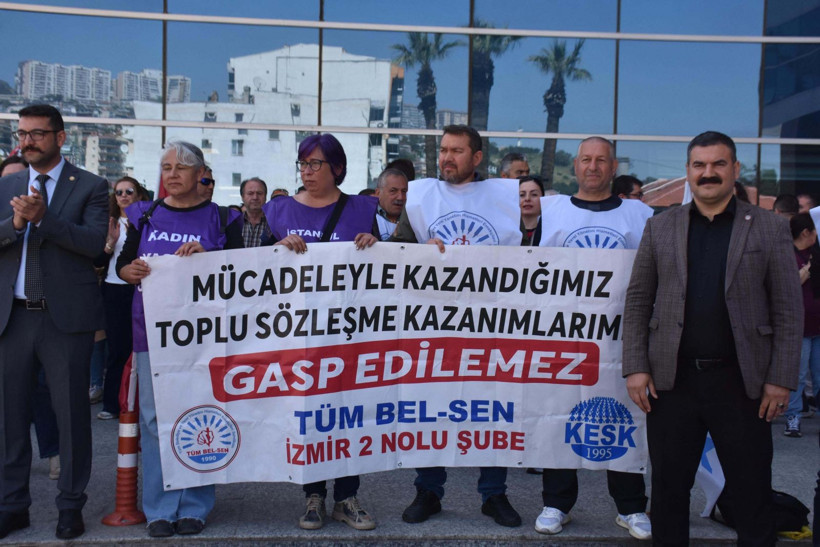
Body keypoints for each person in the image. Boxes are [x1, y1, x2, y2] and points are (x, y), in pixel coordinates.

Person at [622, 131, 801, 545]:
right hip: (672, 383)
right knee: (668, 492)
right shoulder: (660, 226)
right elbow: (638, 300)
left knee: (752, 492)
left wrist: (780, 379)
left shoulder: (770, 228)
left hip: (743, 384)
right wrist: (635, 367)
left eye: (718, 164)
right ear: (687, 171)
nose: (708, 173)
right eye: (699, 165)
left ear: (735, 169)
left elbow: (788, 309)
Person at [390, 125, 523, 528]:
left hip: (489, 324)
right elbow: (395, 252)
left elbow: (529, 258)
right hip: (432, 326)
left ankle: (494, 494)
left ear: (477, 157)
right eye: (444, 150)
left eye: (457, 151)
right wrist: (418, 251)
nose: (447, 157)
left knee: (492, 408)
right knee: (429, 407)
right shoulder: (421, 196)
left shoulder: (505, 197)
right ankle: (428, 491)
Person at [117, 141, 243, 538]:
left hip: (205, 337)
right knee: (155, 421)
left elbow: (243, 273)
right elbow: (121, 265)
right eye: (166, 167)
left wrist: (210, 258)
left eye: (181, 167)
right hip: (151, 333)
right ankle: (160, 507)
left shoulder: (224, 218)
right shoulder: (144, 214)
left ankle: (195, 504)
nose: (172, 174)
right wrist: (128, 272)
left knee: (202, 414)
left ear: (201, 173)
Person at [536, 136, 653, 540]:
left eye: (601, 160)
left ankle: (631, 507)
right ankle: (556, 503)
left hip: (620, 339)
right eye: (586, 159)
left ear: (614, 167)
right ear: (575, 164)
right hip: (563, 339)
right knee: (558, 417)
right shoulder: (551, 210)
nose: (593, 166)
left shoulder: (639, 215)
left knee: (623, 418)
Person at [0, 104, 108, 540]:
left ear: (60, 138)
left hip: (64, 320)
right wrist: (16, 222)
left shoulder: (91, 186)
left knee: (71, 417)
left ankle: (70, 505)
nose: (27, 141)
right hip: (12, 318)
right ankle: (12, 506)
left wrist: (44, 219)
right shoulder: (6, 184)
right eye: (22, 133)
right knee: (9, 419)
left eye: (37, 134)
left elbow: (93, 244)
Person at [261, 133, 378, 531]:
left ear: (337, 168)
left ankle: (346, 496)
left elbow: (387, 264)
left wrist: (375, 244)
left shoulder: (362, 209)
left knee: (348, 411)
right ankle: (313, 495)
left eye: (315, 164)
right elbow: (254, 269)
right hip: (298, 333)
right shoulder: (279, 211)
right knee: (307, 411)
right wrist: (278, 248)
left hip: (349, 332)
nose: (307, 172)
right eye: (303, 164)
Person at [0, 155, 61, 481]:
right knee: (9, 401)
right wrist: (15, 223)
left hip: (47, 313)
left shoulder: (51, 206)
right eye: (8, 180)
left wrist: (37, 219)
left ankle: (53, 452)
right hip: (7, 314)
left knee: (41, 391)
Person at [93, 176, 150, 421]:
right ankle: (112, 404)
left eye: (129, 191)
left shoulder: (148, 222)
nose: (124, 196)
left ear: (138, 195)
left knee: (142, 348)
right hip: (114, 290)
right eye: (119, 192)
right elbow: (97, 261)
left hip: (142, 288)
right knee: (117, 349)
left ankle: (139, 404)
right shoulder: (109, 223)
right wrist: (110, 243)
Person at [784, 213, 820, 438]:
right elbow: (791, 283)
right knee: (797, 375)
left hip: (818, 326)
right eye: (815, 230)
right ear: (806, 232)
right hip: (799, 328)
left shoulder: (817, 252)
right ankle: (793, 417)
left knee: (819, 375)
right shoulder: (787, 254)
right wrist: (809, 267)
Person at [374, 167, 408, 240]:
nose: (400, 197)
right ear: (378, 193)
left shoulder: (414, 219)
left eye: (404, 191)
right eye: (393, 191)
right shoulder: (366, 218)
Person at [239, 177, 271, 248]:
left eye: (259, 193)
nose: (255, 197)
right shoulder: (233, 224)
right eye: (250, 193)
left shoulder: (274, 224)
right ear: (242, 197)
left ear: (265, 196)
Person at [519, 175, 544, 246]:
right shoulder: (507, 231)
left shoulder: (550, 232)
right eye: (522, 195)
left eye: (534, 194)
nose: (527, 199)